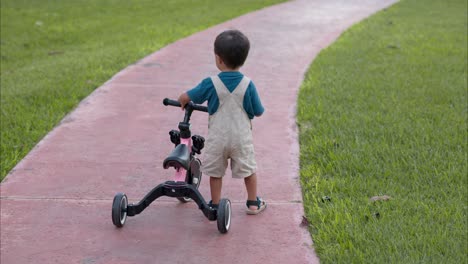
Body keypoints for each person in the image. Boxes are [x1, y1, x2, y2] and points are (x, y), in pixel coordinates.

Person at [178, 29, 267, 215]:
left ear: (218, 59)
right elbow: (258, 111)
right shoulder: (248, 84)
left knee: (215, 174)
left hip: (218, 138)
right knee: (249, 170)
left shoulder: (210, 83)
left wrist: (182, 100)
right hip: (241, 138)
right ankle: (252, 203)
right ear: (244, 59)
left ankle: (216, 205)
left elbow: (188, 96)